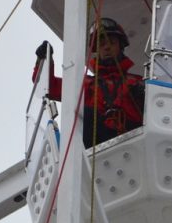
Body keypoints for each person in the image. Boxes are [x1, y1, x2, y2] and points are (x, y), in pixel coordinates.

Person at [33, 18, 144, 148]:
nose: (107, 47)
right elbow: (49, 88)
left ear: (121, 46)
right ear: (97, 51)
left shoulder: (137, 82)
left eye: (111, 43)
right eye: (101, 45)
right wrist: (44, 60)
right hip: (99, 148)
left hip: (135, 141)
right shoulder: (86, 85)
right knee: (86, 114)